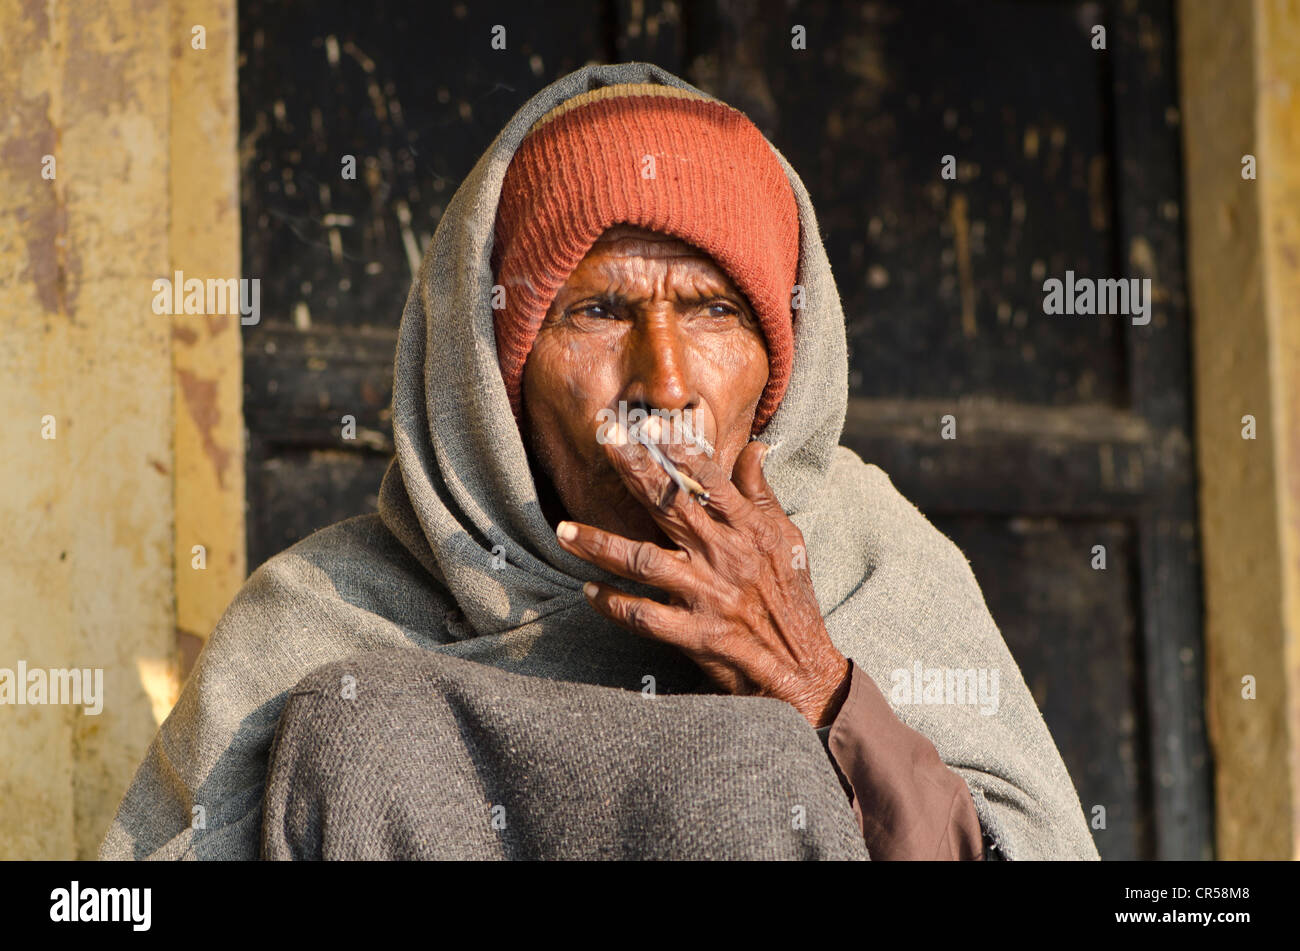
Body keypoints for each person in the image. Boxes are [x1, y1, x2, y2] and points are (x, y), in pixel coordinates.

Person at [100, 63, 1099, 861]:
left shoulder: (868, 560)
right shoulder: (325, 613)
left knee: (752, 762)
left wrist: (816, 691)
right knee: (372, 724)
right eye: (599, 310)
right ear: (497, 372)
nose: (661, 382)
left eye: (711, 309)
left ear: (781, 362)